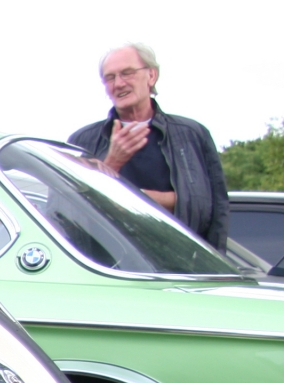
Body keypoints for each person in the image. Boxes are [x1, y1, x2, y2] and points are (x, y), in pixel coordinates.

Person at [68, 43, 229, 250]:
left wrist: (137, 197)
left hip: (181, 263)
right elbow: (68, 210)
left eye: (127, 73)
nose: (118, 84)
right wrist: (112, 163)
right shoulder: (83, 141)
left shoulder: (191, 135)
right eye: (110, 77)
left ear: (151, 76)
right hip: (112, 267)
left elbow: (214, 209)